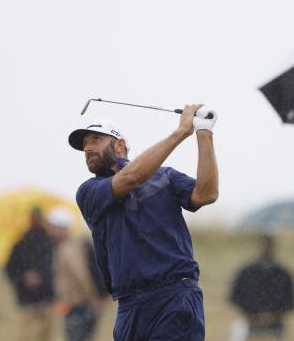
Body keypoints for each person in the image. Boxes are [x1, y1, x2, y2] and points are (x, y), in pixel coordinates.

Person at [68, 104, 218, 341]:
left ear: (119, 145)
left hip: (174, 295)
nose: (87, 148)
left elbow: (206, 193)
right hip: (129, 305)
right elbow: (131, 177)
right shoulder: (89, 191)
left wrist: (204, 133)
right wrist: (180, 133)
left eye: (96, 139)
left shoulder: (165, 176)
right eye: (85, 144)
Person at [46, 206, 108, 341]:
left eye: (52, 227)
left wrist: (95, 300)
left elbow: (82, 276)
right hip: (74, 305)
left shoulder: (70, 248)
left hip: (80, 305)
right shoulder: (63, 246)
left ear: (61, 227)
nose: (50, 231)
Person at [230, 234, 294, 341]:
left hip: (276, 326)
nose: (266, 248)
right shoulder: (246, 272)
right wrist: (251, 314)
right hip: (251, 324)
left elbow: (290, 301)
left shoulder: (282, 273)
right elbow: (235, 296)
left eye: (269, 245)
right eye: (264, 245)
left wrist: (273, 316)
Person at [5, 207, 56, 341]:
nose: (37, 221)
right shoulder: (19, 244)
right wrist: (23, 278)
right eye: (35, 218)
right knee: (24, 335)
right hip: (26, 299)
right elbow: (10, 269)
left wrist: (43, 278)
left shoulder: (51, 243)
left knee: (47, 334)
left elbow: (56, 268)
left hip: (47, 297)